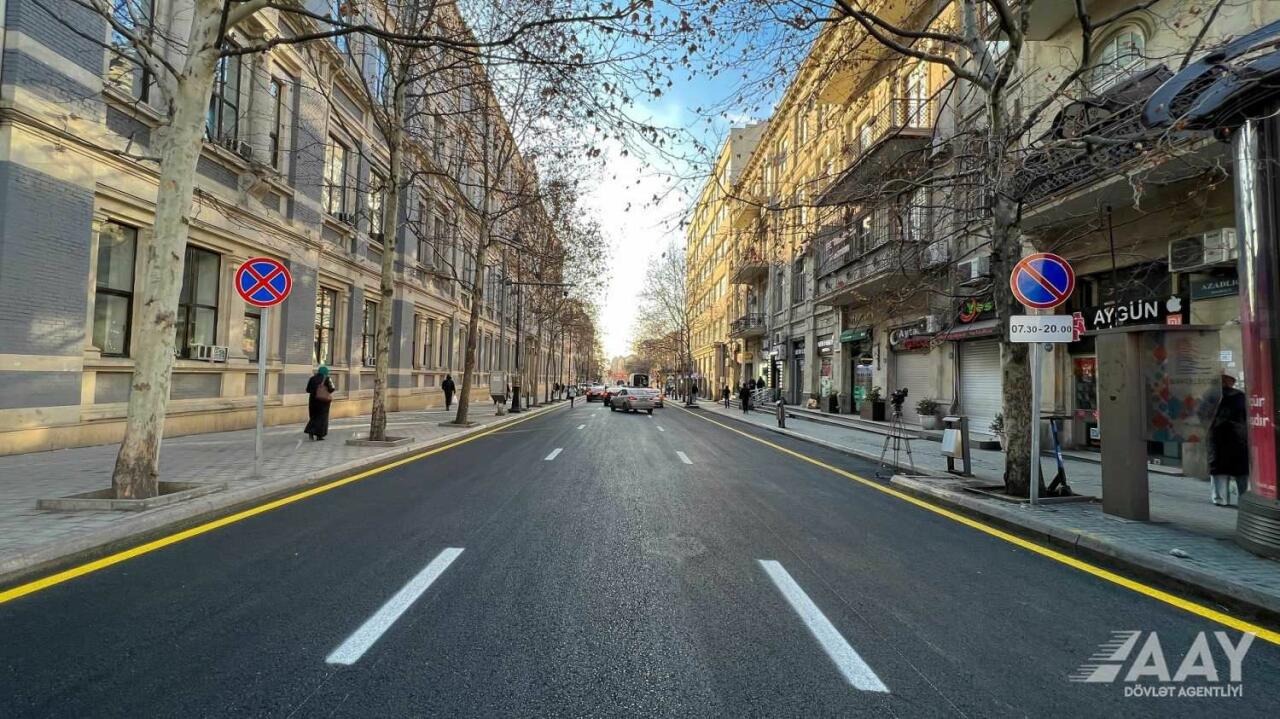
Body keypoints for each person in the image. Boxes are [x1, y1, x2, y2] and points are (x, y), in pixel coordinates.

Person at [1209, 373, 1249, 506]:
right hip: (1238, 436)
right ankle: (1243, 498)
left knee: (1219, 469)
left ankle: (1220, 499)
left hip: (1218, 435)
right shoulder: (1240, 396)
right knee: (1240, 470)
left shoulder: (1211, 395)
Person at [304, 366, 335, 441]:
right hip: (323, 402)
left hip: (313, 401)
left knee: (313, 417)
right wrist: (326, 391)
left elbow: (308, 390)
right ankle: (319, 436)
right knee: (322, 418)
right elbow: (332, 388)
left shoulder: (312, 378)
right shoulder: (327, 378)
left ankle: (311, 432)